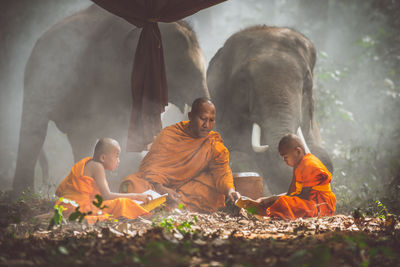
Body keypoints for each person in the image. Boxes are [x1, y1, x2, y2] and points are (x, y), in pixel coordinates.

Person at [120, 98, 241, 213]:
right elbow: (150, 168)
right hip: (158, 187)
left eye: (211, 120)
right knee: (131, 184)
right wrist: (162, 189)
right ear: (190, 117)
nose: (207, 125)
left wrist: (230, 190)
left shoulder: (212, 142)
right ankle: (170, 205)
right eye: (203, 119)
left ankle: (169, 206)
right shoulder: (170, 134)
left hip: (186, 189)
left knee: (212, 187)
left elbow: (222, 171)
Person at [55, 138, 153, 224]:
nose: (118, 160)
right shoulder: (97, 166)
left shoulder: (90, 163)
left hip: (69, 205)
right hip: (78, 208)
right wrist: (136, 196)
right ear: (103, 158)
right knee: (122, 203)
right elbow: (107, 196)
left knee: (118, 203)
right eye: (116, 155)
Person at [255, 133, 336, 220]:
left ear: (298, 152)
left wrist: (273, 200)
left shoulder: (309, 164)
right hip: (308, 204)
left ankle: (269, 215)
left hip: (320, 207)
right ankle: (262, 212)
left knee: (282, 203)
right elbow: (290, 194)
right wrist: (269, 199)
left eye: (285, 157)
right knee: (280, 202)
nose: (284, 160)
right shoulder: (298, 166)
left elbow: (304, 196)